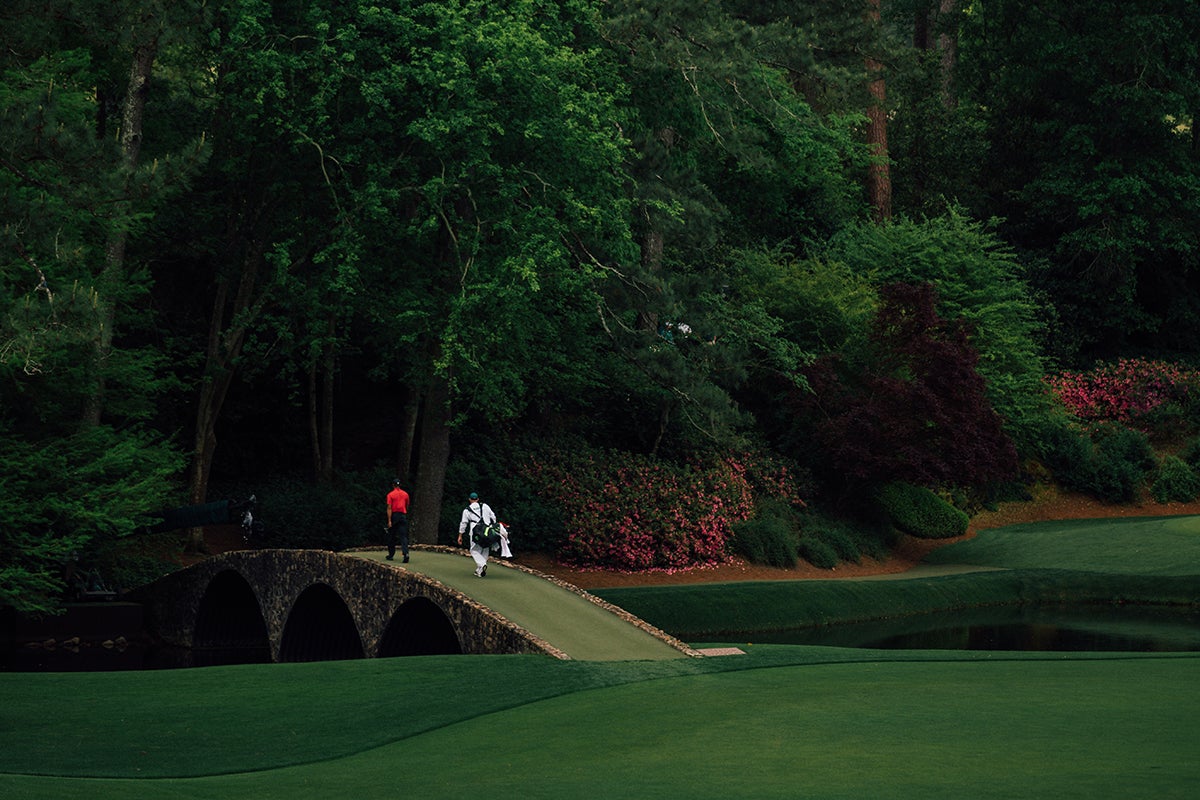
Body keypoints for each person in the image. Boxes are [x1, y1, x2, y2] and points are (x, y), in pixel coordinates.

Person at [457, 491, 497, 577]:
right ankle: (479, 571)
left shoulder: (467, 510)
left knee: (474, 550)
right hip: (487, 531)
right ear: (478, 499)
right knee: (485, 549)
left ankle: (482, 564)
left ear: (469, 499)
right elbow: (493, 517)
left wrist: (460, 535)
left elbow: (463, 523)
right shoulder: (485, 506)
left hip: (476, 532)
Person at [385, 479, 410, 562]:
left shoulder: (390, 495)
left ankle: (391, 555)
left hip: (395, 515)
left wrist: (389, 520)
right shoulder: (405, 494)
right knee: (403, 536)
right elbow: (407, 505)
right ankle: (406, 553)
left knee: (392, 535)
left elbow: (389, 508)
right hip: (402, 515)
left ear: (393, 485)